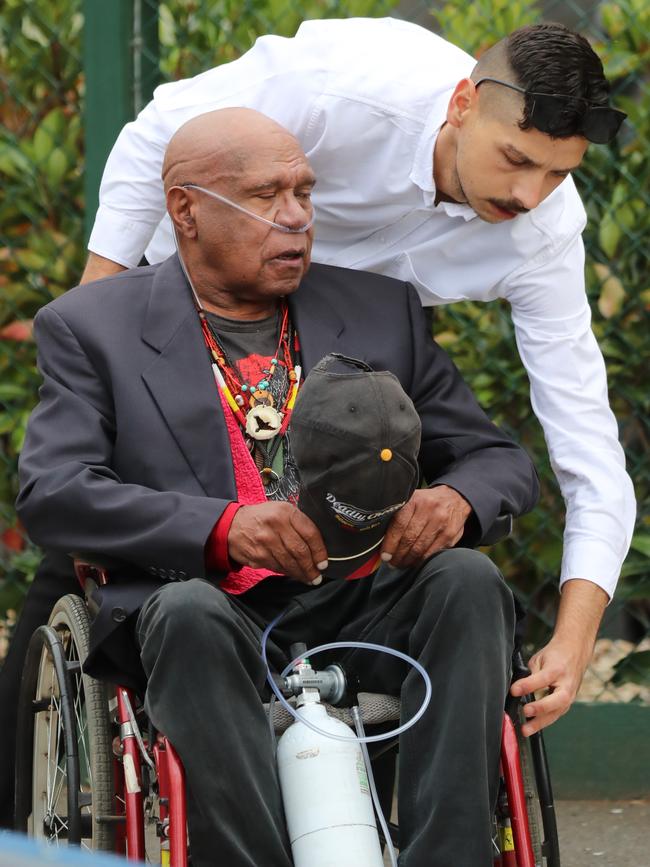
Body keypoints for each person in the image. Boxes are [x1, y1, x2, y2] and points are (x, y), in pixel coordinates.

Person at [16, 108, 539, 866]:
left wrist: (456, 499)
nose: (296, 219)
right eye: (265, 197)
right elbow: (54, 492)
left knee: (466, 579)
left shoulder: (379, 310)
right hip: (206, 604)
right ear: (185, 210)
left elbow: (498, 459)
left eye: (304, 193)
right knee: (189, 612)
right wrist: (222, 527)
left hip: (365, 597)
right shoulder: (92, 327)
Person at [80, 18, 634, 727]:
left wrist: (576, 637)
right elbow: (156, 137)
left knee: (367, 543)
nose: (531, 194)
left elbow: (588, 444)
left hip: (354, 353)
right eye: (516, 158)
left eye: (559, 173)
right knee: (103, 563)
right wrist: (98, 335)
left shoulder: (544, 232)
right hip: (201, 301)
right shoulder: (348, 85)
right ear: (462, 104)